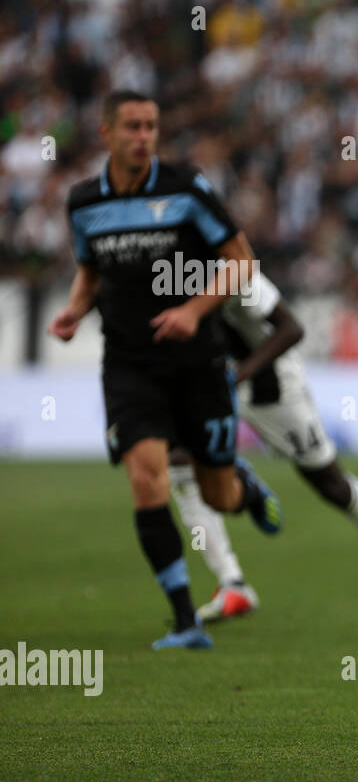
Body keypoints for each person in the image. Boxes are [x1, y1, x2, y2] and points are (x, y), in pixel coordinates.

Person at [50, 90, 282, 651]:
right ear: (106, 133)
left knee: (217, 493)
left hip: (198, 364)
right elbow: (92, 271)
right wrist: (75, 311)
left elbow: (242, 261)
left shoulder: (185, 189)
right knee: (147, 477)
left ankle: (245, 489)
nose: (143, 136)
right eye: (132, 126)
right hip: (129, 366)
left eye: (151, 126)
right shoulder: (83, 202)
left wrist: (193, 309)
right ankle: (184, 619)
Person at [169, 271, 358, 626]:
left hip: (270, 385)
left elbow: (291, 329)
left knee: (329, 483)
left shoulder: (232, 272)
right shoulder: (165, 271)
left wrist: (240, 374)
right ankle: (232, 583)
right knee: (180, 461)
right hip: (208, 380)